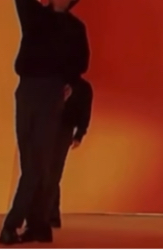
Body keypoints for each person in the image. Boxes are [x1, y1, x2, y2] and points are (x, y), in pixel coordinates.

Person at [0, 0, 90, 246]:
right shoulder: (34, 15)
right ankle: (38, 225)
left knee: (37, 162)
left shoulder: (76, 28)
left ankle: (13, 225)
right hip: (27, 89)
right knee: (31, 160)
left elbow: (81, 62)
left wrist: (70, 83)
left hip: (52, 92)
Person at [48, 76, 93, 229]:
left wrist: (79, 133)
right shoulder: (53, 81)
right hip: (51, 127)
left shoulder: (81, 87)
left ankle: (50, 215)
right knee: (48, 173)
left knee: (52, 173)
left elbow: (85, 111)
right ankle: (49, 214)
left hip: (62, 129)